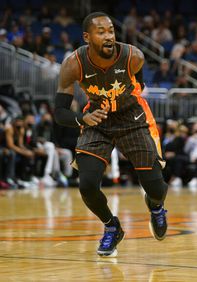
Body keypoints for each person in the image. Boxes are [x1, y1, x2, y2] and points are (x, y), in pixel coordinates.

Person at [54, 12, 168, 257]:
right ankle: (111, 227)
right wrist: (81, 119)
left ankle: (156, 207)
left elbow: (140, 85)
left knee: (157, 187)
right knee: (86, 185)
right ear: (87, 37)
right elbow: (59, 112)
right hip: (97, 119)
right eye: (101, 32)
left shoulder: (133, 56)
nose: (109, 36)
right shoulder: (73, 64)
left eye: (111, 31)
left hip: (132, 118)